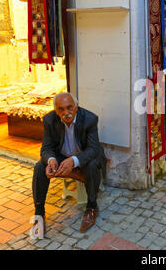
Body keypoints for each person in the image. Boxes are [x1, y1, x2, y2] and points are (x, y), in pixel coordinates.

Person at [31, 92, 106, 236]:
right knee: (40, 167)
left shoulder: (90, 119)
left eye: (69, 107)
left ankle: (91, 206)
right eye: (61, 109)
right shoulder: (49, 120)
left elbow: (93, 149)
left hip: (84, 156)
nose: (66, 113)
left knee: (91, 166)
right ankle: (39, 213)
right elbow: (46, 148)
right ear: (56, 111)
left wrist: (74, 161)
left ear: (76, 107)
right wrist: (51, 160)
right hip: (62, 156)